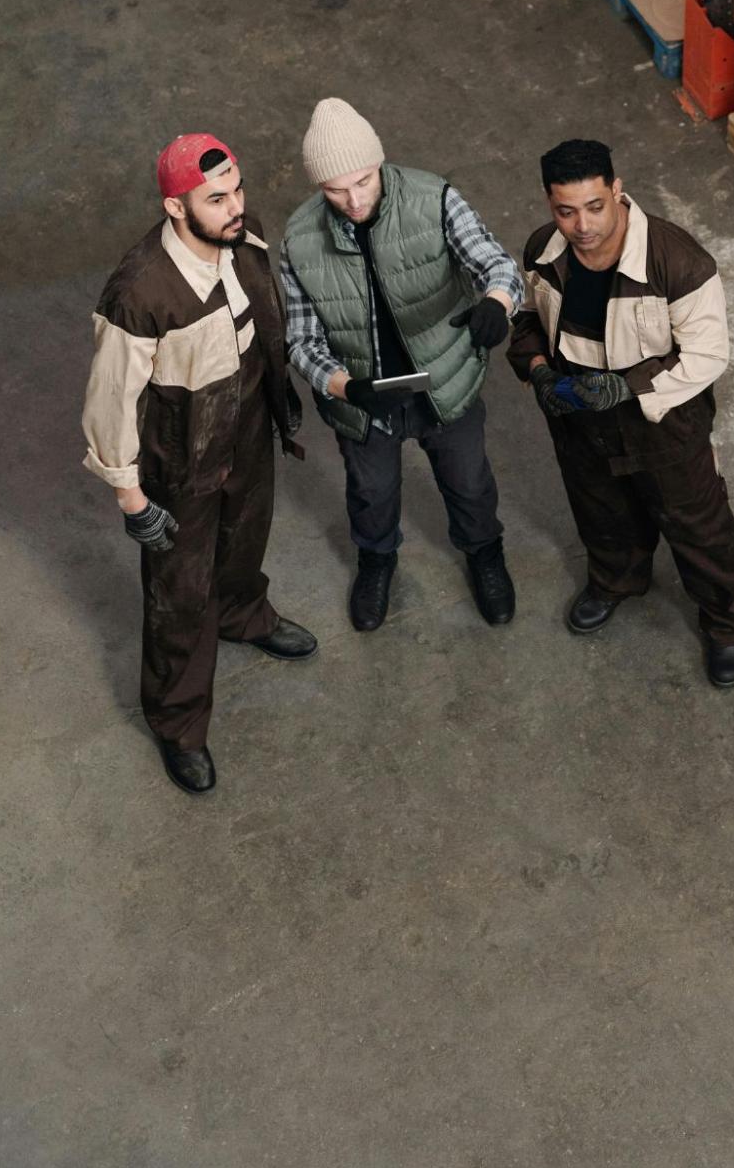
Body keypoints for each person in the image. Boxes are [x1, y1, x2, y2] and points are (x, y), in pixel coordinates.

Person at [82, 135, 318, 796]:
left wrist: (278, 398)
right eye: (216, 198)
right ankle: (178, 720)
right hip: (179, 458)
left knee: (245, 538)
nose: (236, 205)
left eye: (237, 188)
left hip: (246, 424)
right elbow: (109, 401)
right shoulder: (140, 293)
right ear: (175, 207)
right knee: (180, 594)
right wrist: (132, 497)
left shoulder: (246, 236)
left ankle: (244, 613)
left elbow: (263, 321)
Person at [507, 138, 734, 688]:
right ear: (550, 205)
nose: (582, 225)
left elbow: (707, 354)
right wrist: (537, 369)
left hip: (662, 422)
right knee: (601, 509)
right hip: (578, 414)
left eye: (595, 206)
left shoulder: (677, 261)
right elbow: (527, 318)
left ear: (617, 191)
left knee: (696, 522)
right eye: (565, 210)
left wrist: (627, 388)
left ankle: (728, 622)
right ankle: (617, 579)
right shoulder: (542, 252)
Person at [281, 98, 521, 633]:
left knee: (469, 482)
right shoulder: (298, 240)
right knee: (370, 492)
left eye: (363, 181)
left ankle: (484, 552)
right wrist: (345, 388)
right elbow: (300, 339)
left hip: (445, 379)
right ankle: (376, 560)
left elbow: (496, 265)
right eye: (335, 190)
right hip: (366, 397)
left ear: (380, 164)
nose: (353, 199)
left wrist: (496, 303)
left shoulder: (434, 199)